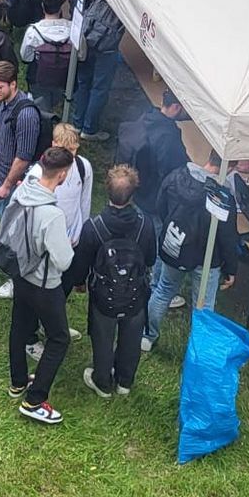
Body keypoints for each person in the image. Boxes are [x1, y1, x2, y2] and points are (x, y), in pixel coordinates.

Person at [72, 163, 158, 397]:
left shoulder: (93, 227)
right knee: (131, 339)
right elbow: (150, 258)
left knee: (102, 338)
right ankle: (125, 382)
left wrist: (80, 282)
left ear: (106, 190)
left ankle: (102, 382)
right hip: (135, 294)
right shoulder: (145, 225)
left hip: (103, 296)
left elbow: (81, 263)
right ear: (133, 193)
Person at [143, 150, 242, 352]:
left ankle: (147, 336)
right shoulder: (221, 197)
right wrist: (231, 267)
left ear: (210, 156)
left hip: (176, 245)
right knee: (204, 306)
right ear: (229, 168)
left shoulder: (178, 175)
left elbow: (160, 205)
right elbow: (227, 236)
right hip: (207, 258)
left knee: (162, 291)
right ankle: (198, 349)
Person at [7, 145, 78, 423]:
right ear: (61, 174)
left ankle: (18, 381)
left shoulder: (22, 192)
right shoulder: (52, 215)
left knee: (19, 326)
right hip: (44, 284)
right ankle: (35, 400)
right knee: (59, 338)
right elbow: (63, 260)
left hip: (20, 274)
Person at [0, 61, 46, 298]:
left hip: (10, 182)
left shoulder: (27, 115)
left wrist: (7, 185)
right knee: (4, 221)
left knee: (16, 230)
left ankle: (15, 277)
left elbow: (23, 157)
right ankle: (2, 254)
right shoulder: (5, 103)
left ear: (14, 84)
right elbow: (3, 125)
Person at [123, 90, 190, 214]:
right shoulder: (168, 137)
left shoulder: (148, 116)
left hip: (137, 187)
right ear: (176, 107)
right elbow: (173, 170)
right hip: (152, 198)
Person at [70, 0, 125, 141]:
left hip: (86, 40)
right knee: (99, 88)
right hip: (106, 47)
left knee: (83, 83)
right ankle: (89, 128)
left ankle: (77, 123)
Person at [21, 0, 77, 113]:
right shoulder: (73, 28)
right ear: (60, 7)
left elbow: (26, 57)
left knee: (41, 109)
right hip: (65, 78)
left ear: (42, 6)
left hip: (39, 79)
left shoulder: (33, 31)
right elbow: (81, 55)